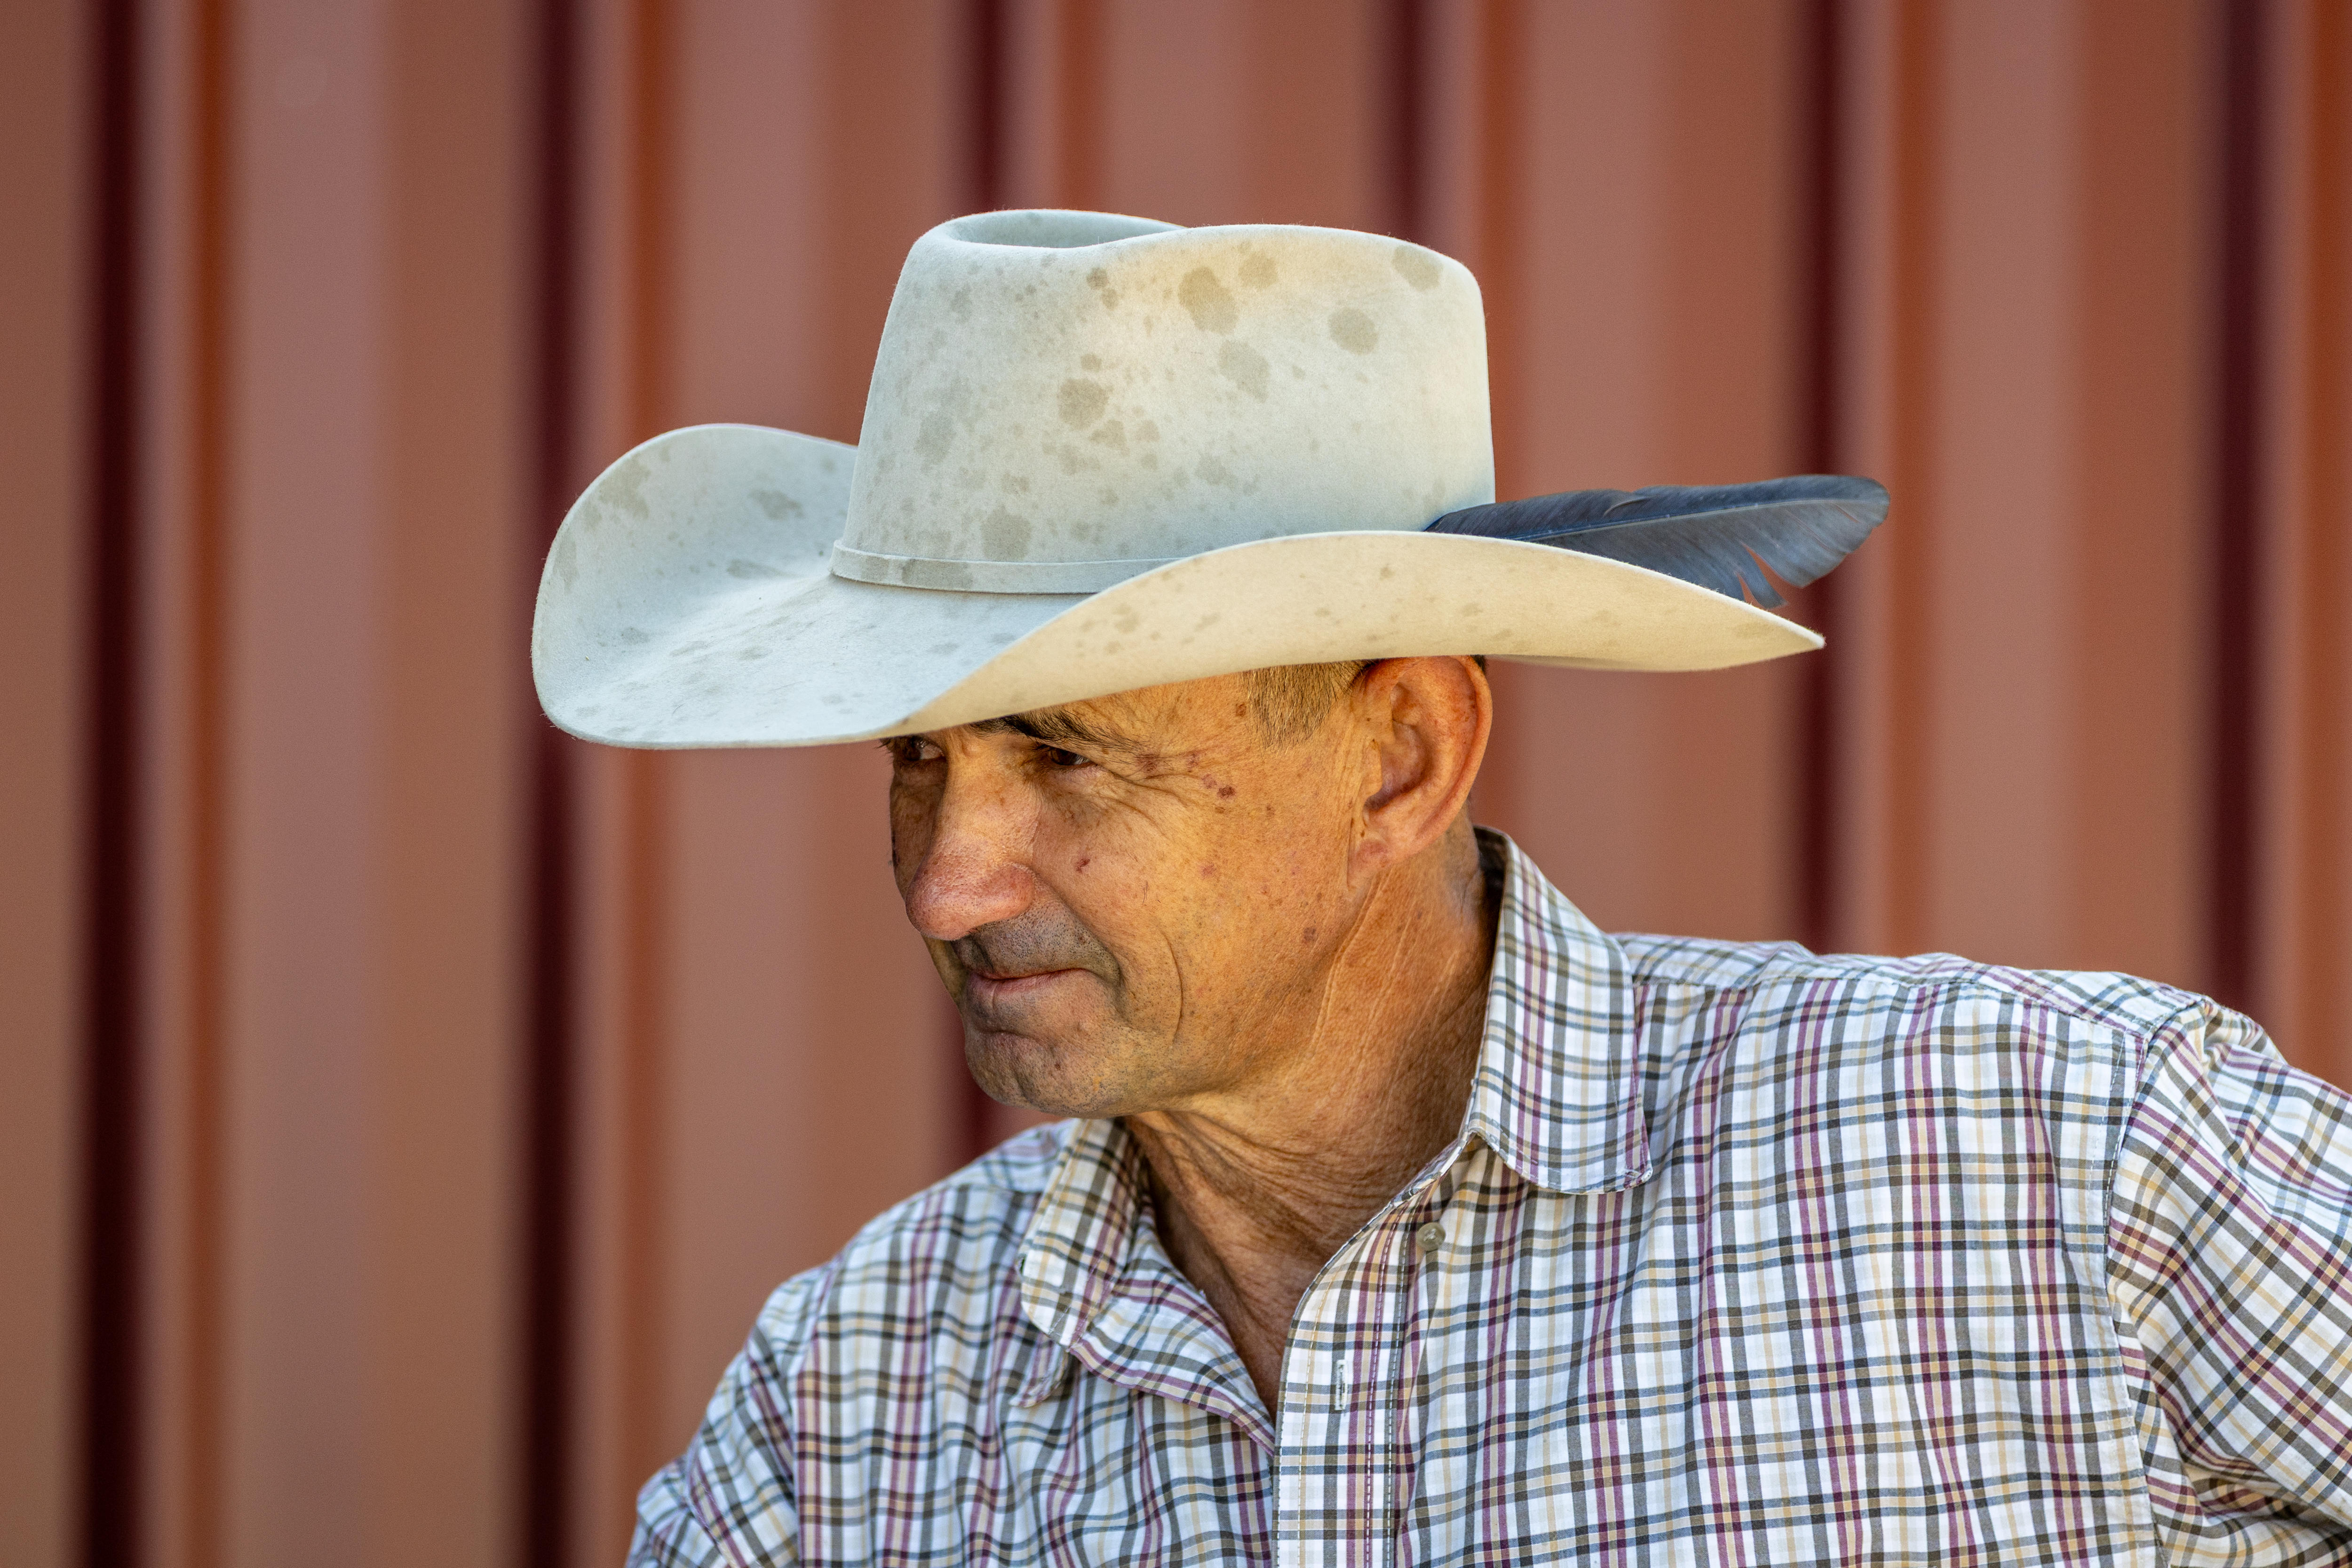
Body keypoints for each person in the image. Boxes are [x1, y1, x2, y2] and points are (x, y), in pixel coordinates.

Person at [534, 211, 2352, 1565]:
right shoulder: (855, 1408)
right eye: (918, 757)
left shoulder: (2047, 1154)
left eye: (1072, 758)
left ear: (1400, 757)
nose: (948, 885)